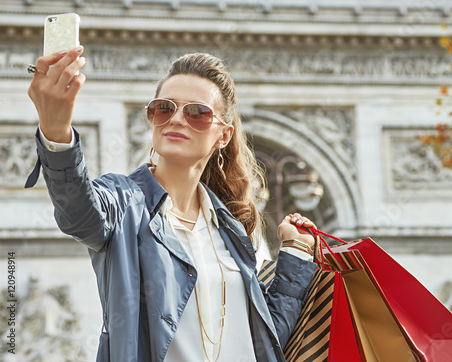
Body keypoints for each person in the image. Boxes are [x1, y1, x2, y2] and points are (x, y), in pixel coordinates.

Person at [26, 47, 318, 362]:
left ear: (223, 134)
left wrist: (295, 254)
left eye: (197, 112)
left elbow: (262, 341)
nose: (177, 119)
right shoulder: (123, 203)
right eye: (164, 108)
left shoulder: (230, 230)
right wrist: (56, 133)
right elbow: (77, 211)